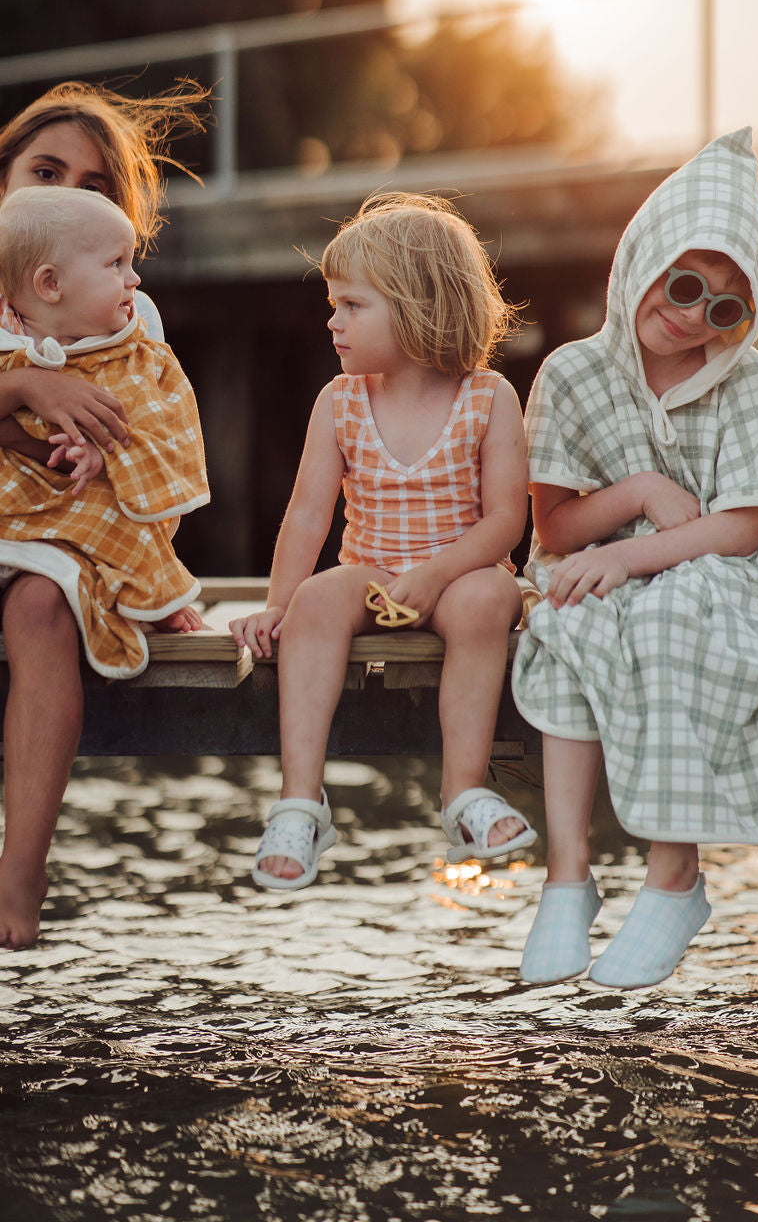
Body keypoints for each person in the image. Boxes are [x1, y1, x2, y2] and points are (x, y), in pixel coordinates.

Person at [511, 127, 758, 990]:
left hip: (718, 568)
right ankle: (569, 875)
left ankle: (673, 874)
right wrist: (637, 495)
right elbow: (555, 532)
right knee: (563, 625)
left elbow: (741, 527)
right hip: (597, 563)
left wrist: (642, 558)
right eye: (686, 282)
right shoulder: (573, 373)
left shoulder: (745, 382)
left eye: (724, 306)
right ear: (646, 258)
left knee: (669, 615)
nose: (693, 314)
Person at [230, 193, 537, 891]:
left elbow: (504, 523)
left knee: (491, 596)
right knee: (316, 601)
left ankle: (463, 792)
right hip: (370, 573)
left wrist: (437, 573)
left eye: (352, 306)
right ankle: (300, 802)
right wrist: (280, 604)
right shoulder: (338, 400)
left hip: (461, 574)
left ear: (418, 303)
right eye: (333, 305)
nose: (332, 321)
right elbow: (308, 515)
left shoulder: (489, 397)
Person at [0, 79, 207, 949]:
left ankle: (20, 878)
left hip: (61, 529)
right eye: (45, 171)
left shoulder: (125, 315)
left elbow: (152, 431)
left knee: (42, 604)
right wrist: (25, 383)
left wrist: (84, 437)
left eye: (92, 188)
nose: (64, 194)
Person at [0, 186, 209, 674]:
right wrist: (26, 385)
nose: (134, 278)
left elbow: (153, 420)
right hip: (13, 510)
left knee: (113, 513)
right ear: (50, 284)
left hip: (74, 514)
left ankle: (148, 592)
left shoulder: (130, 346)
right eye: (117, 264)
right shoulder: (8, 340)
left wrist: (106, 454)